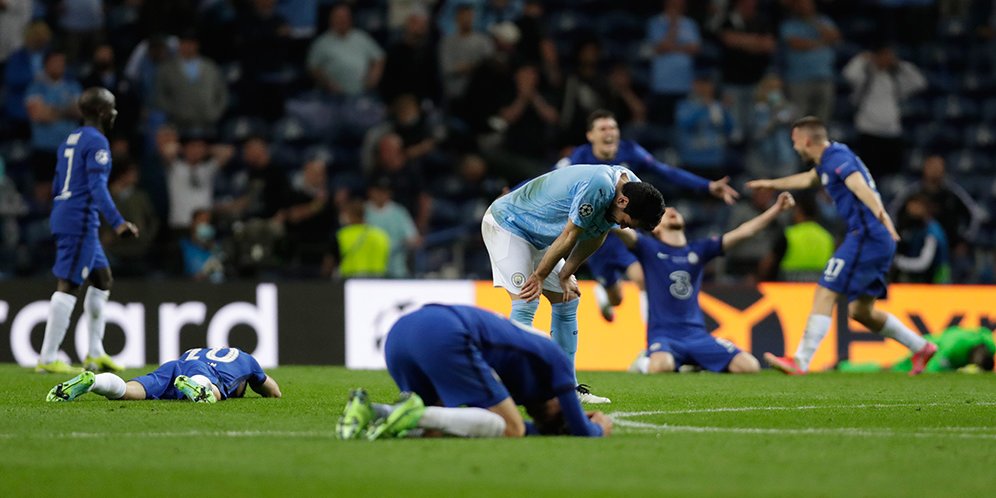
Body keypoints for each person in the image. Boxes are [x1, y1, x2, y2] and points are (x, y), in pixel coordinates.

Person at [746, 116, 937, 375]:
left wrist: (882, 215)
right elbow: (807, 180)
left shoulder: (837, 160)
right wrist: (771, 183)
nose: (794, 147)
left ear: (807, 140)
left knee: (826, 288)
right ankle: (921, 347)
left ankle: (800, 361)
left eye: (795, 141)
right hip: (872, 238)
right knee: (861, 311)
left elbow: (858, 185)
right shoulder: (830, 158)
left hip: (867, 236)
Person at [482, 163, 666, 403]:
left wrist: (566, 274)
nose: (622, 226)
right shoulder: (599, 186)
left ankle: (567, 388)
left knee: (568, 299)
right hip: (508, 225)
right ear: (622, 202)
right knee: (527, 299)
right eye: (626, 221)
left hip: (539, 238)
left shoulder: (631, 187)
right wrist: (539, 276)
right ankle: (513, 385)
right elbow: (571, 234)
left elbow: (597, 234)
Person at [558, 109, 739, 323]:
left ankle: (653, 338)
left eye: (613, 128)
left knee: (643, 279)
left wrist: (707, 185)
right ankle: (605, 292)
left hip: (623, 229)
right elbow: (549, 180)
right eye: (603, 129)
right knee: (617, 299)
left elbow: (666, 171)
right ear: (591, 135)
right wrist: (515, 194)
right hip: (595, 236)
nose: (610, 133)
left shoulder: (631, 151)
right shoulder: (579, 157)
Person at [335, 304, 611, 439]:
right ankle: (409, 411)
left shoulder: (529, 377)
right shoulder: (557, 360)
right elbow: (581, 431)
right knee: (511, 428)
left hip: (400, 334)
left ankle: (370, 411)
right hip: (445, 332)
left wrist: (553, 429)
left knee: (432, 428)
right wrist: (598, 427)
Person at [615, 192, 795, 375]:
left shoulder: (699, 250)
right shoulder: (648, 248)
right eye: (664, 213)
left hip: (697, 336)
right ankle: (645, 361)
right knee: (661, 366)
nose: (671, 211)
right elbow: (619, 227)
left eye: (673, 209)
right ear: (655, 228)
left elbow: (745, 231)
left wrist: (776, 209)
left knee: (749, 366)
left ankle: (690, 363)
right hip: (664, 335)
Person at [35, 87, 140, 375]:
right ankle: (47, 357)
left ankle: (95, 353)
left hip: (67, 212)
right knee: (69, 283)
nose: (116, 112)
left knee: (102, 279)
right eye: (113, 107)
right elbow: (97, 188)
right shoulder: (98, 142)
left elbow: (58, 183)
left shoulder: (70, 138)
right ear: (103, 112)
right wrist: (119, 223)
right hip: (80, 218)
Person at [46, 347, 281, 403]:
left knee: (131, 390)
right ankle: (199, 390)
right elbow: (273, 391)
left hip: (174, 366)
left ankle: (94, 382)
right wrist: (257, 382)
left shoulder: (199, 349)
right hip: (203, 373)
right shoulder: (247, 361)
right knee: (214, 390)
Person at [838, 326, 995, 375]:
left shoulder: (988, 345)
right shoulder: (956, 345)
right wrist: (926, 374)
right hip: (925, 348)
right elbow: (937, 362)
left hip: (936, 347)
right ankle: (843, 366)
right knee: (893, 370)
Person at [893, 193, 951, 284]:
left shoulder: (932, 232)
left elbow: (923, 263)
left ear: (925, 208)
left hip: (937, 281)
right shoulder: (914, 227)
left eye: (916, 207)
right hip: (920, 280)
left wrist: (898, 262)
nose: (911, 211)